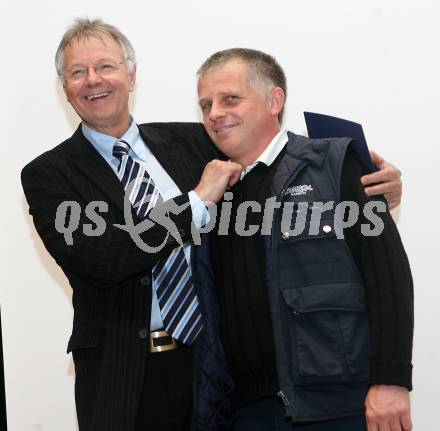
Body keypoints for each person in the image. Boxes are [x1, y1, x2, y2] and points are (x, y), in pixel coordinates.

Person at [21, 18, 403, 431]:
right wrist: (195, 203)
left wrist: (362, 181)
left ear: (131, 76)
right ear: (65, 88)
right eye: (78, 72)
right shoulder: (47, 174)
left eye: (106, 67)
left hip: (214, 371)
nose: (93, 80)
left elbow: (271, 151)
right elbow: (103, 257)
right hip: (125, 377)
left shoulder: (196, 142)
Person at [193, 48, 413, 431]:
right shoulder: (210, 192)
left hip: (337, 407)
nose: (214, 113)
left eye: (230, 99)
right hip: (246, 412)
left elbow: (387, 273)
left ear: (274, 100)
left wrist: (390, 380)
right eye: (206, 104)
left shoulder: (333, 163)